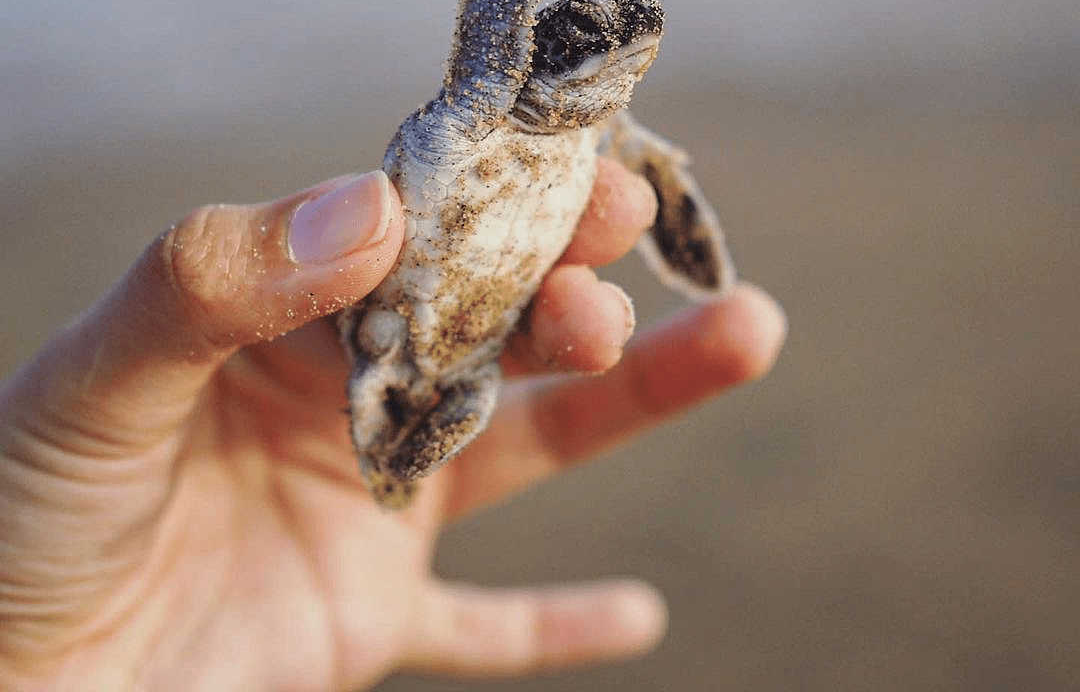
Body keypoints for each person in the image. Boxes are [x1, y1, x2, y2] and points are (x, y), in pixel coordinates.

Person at [0, 157, 785, 690]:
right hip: (395, 320)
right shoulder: (494, 100)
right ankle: (389, 463)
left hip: (466, 339)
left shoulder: (600, 139)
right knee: (470, 376)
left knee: (542, 332)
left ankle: (390, 466)